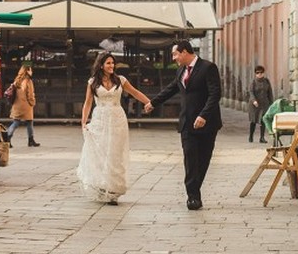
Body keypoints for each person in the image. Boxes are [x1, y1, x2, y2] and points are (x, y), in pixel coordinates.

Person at [151, 39, 222, 211]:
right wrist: (153, 103)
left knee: (203, 160)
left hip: (207, 124)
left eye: (175, 54)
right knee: (190, 159)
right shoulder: (181, 71)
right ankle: (193, 197)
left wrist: (203, 115)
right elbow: (171, 89)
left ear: (184, 52)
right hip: (186, 123)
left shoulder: (208, 67)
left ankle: (194, 191)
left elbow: (215, 94)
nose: (174, 58)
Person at [76, 52, 153, 204]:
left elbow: (135, 92)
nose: (112, 66)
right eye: (108, 63)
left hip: (117, 119)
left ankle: (114, 190)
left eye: (113, 63)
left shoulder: (121, 80)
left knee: (115, 154)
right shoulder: (92, 82)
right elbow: (88, 102)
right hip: (100, 120)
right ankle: (102, 186)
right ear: (101, 65)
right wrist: (83, 121)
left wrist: (150, 102)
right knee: (102, 153)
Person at [4, 64, 40, 147]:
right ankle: (30, 140)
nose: (31, 71)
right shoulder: (28, 81)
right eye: (30, 70)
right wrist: (33, 103)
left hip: (17, 104)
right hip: (26, 105)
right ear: (27, 71)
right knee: (29, 122)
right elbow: (30, 95)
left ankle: (8, 138)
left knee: (16, 122)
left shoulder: (17, 80)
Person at [249, 65, 274, 143]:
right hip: (254, 105)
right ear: (255, 74)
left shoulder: (266, 81)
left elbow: (270, 92)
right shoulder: (253, 82)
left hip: (264, 104)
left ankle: (262, 137)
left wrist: (271, 103)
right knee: (253, 121)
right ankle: (251, 136)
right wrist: (254, 101)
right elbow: (251, 92)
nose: (259, 74)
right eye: (257, 72)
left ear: (264, 73)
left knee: (263, 120)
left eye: (261, 72)